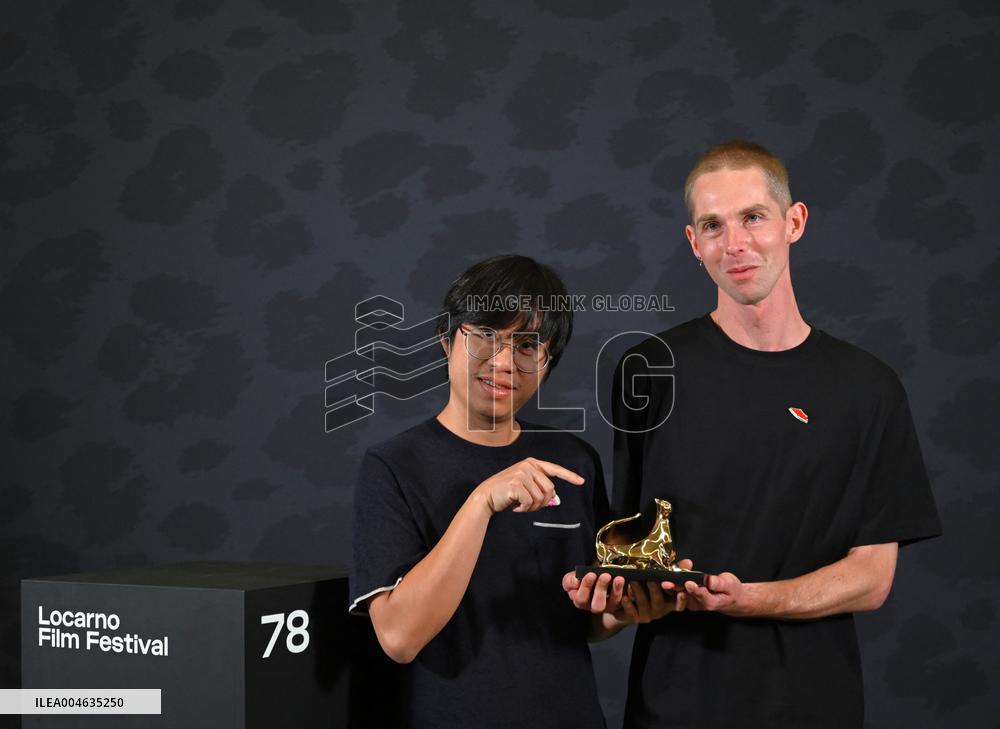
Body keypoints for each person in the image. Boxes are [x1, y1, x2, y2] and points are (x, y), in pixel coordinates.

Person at [565, 141, 942, 728]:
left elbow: (871, 579)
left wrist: (749, 599)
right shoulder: (648, 369)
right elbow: (632, 542)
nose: (734, 244)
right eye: (712, 225)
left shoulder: (868, 387)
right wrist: (619, 600)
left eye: (753, 218)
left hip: (815, 706)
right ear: (694, 243)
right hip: (673, 706)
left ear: (794, 222)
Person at [350, 254, 622, 728]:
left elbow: (586, 622)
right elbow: (398, 636)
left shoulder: (574, 461)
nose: (502, 362)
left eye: (526, 345)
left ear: (547, 361)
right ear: (445, 340)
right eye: (484, 338)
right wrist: (481, 503)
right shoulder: (394, 466)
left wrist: (625, 608)